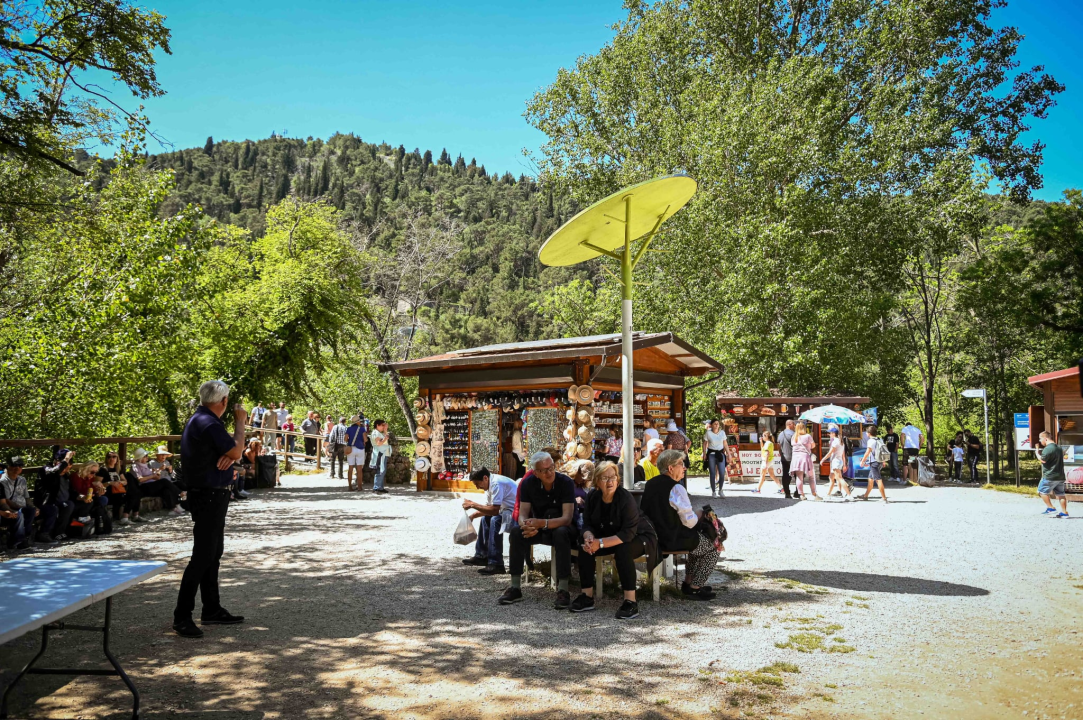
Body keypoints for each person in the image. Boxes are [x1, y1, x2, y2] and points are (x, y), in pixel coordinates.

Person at [173, 380, 248, 639]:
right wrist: (241, 422)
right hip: (207, 496)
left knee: (213, 553)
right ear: (224, 401)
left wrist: (232, 457)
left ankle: (211, 609)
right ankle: (182, 617)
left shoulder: (203, 420)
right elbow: (237, 449)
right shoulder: (207, 422)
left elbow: (231, 453)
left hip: (212, 494)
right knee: (202, 556)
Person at [572, 461, 658, 619]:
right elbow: (588, 524)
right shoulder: (593, 496)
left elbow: (628, 534)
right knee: (585, 546)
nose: (610, 481)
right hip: (608, 535)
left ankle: (630, 601)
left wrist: (601, 543)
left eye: (613, 477)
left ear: (618, 480)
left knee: (622, 549)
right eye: (605, 478)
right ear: (597, 481)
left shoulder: (625, 498)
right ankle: (587, 596)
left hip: (639, 536)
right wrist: (589, 537)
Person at [499, 451, 577, 609]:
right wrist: (526, 525)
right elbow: (522, 514)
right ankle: (515, 586)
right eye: (544, 470)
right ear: (535, 473)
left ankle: (563, 589)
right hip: (539, 527)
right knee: (516, 532)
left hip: (562, 527)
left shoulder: (566, 482)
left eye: (551, 468)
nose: (549, 473)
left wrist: (541, 523)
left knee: (561, 533)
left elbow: (567, 518)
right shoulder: (528, 483)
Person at [640, 449, 720, 600]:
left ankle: (689, 583)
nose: (684, 467)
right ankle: (695, 587)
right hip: (672, 537)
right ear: (671, 468)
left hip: (653, 537)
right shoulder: (676, 488)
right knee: (714, 547)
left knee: (698, 543)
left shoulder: (650, 484)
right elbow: (689, 522)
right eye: (681, 464)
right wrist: (700, 514)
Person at [462, 467, 517, 574]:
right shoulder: (489, 485)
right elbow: (488, 509)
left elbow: (495, 511)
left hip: (517, 515)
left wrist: (473, 504)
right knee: (485, 518)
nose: (477, 487)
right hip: (506, 511)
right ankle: (482, 556)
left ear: (485, 478)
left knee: (495, 520)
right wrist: (473, 515)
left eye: (477, 484)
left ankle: (496, 563)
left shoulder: (497, 484)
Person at [1, 456, 57, 547]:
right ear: (8, 466)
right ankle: (20, 540)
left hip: (24, 506)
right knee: (26, 512)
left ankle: (41, 535)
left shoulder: (22, 480)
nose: (17, 468)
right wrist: (24, 508)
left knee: (51, 509)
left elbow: (27, 498)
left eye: (20, 466)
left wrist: (34, 507)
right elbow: (7, 501)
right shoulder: (3, 480)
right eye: (14, 465)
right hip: (11, 508)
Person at [132, 448, 183, 514]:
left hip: (152, 484)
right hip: (144, 487)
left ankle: (172, 508)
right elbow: (140, 479)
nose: (147, 457)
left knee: (166, 489)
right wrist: (154, 475)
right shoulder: (135, 466)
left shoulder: (145, 464)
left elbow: (154, 475)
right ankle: (180, 493)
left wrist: (157, 475)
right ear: (141, 458)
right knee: (164, 481)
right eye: (145, 456)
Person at [99, 451, 141, 525]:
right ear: (106, 458)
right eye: (109, 457)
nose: (111, 459)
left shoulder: (117, 469)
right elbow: (97, 484)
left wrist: (120, 482)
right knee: (124, 497)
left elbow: (125, 481)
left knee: (135, 494)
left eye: (114, 457)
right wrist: (109, 483)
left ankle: (128, 517)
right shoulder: (103, 470)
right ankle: (120, 518)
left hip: (118, 490)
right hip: (108, 492)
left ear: (117, 459)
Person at [70, 461, 112, 535]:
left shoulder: (90, 478)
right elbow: (77, 492)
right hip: (77, 499)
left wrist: (99, 492)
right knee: (91, 501)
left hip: (87, 499)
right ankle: (84, 522)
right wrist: (92, 487)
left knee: (103, 499)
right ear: (85, 469)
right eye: (92, 472)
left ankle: (99, 522)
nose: (94, 475)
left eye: (95, 472)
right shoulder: (76, 476)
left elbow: (93, 493)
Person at [1035, 431, 1069, 518]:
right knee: (1061, 494)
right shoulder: (1058, 447)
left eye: (1040, 438)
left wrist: (1037, 452)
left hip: (1050, 475)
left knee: (1041, 491)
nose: (1040, 441)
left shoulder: (1048, 448)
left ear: (1045, 438)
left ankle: (1051, 508)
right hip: (1060, 476)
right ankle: (1064, 512)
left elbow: (1043, 460)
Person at [789, 421, 821, 500]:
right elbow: (813, 446)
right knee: (811, 477)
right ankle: (814, 494)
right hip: (805, 457)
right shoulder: (808, 436)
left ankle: (801, 495)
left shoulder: (794, 437)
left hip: (796, 458)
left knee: (799, 477)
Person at [858, 426, 889, 502]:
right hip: (879, 461)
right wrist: (883, 461)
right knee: (870, 479)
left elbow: (867, 452)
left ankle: (884, 498)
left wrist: (863, 461)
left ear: (868, 433)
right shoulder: (879, 439)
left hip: (874, 463)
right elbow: (882, 451)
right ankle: (865, 496)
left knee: (878, 480)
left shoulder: (870, 441)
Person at [702, 419, 728, 498]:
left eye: (717, 424)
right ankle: (713, 491)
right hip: (711, 454)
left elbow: (725, 443)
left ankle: (720, 490)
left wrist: (729, 454)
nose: (716, 425)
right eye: (715, 424)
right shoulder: (708, 433)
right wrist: (704, 453)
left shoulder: (722, 433)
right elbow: (704, 443)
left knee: (722, 473)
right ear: (712, 425)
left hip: (720, 454)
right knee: (712, 473)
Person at [825, 427, 853, 500]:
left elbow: (830, 452)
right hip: (839, 461)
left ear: (834, 434)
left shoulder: (835, 441)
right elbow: (843, 454)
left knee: (839, 478)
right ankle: (828, 494)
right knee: (831, 477)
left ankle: (849, 495)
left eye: (830, 433)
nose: (829, 434)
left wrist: (823, 459)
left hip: (836, 461)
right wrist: (844, 463)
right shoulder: (840, 441)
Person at [754, 430, 782, 495]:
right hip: (770, 461)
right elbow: (763, 449)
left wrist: (765, 464)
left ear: (766, 436)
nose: (762, 437)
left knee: (762, 475)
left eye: (763, 436)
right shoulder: (769, 443)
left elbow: (766, 453)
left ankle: (758, 489)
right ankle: (781, 488)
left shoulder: (768, 443)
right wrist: (761, 442)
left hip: (766, 461)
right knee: (772, 475)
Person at [344, 415, 367, 490]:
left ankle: (350, 486)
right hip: (360, 449)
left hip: (351, 449)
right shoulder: (362, 429)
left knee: (350, 468)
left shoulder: (349, 429)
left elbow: (345, 439)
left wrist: (350, 441)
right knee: (359, 469)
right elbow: (365, 439)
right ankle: (360, 486)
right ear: (358, 421)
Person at [369, 419, 391, 494]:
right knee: (379, 470)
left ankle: (380, 487)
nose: (383, 427)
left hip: (383, 453)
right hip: (379, 453)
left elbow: (385, 437)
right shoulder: (375, 433)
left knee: (382, 470)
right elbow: (379, 443)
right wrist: (385, 438)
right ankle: (376, 487)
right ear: (377, 425)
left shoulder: (379, 433)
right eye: (382, 425)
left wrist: (385, 430)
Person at [778, 419, 796, 499]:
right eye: (794, 424)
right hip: (793, 457)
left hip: (784, 457)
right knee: (798, 475)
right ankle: (797, 492)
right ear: (790, 424)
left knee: (785, 475)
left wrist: (781, 454)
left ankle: (787, 493)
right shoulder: (794, 434)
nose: (795, 426)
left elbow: (778, 446)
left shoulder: (780, 434)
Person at [327, 416, 348, 481]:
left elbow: (331, 435)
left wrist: (330, 443)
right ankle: (340, 475)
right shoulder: (346, 428)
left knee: (333, 459)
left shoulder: (335, 426)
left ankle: (332, 473)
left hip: (335, 444)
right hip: (343, 445)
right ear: (345, 422)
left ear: (339, 421)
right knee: (341, 460)